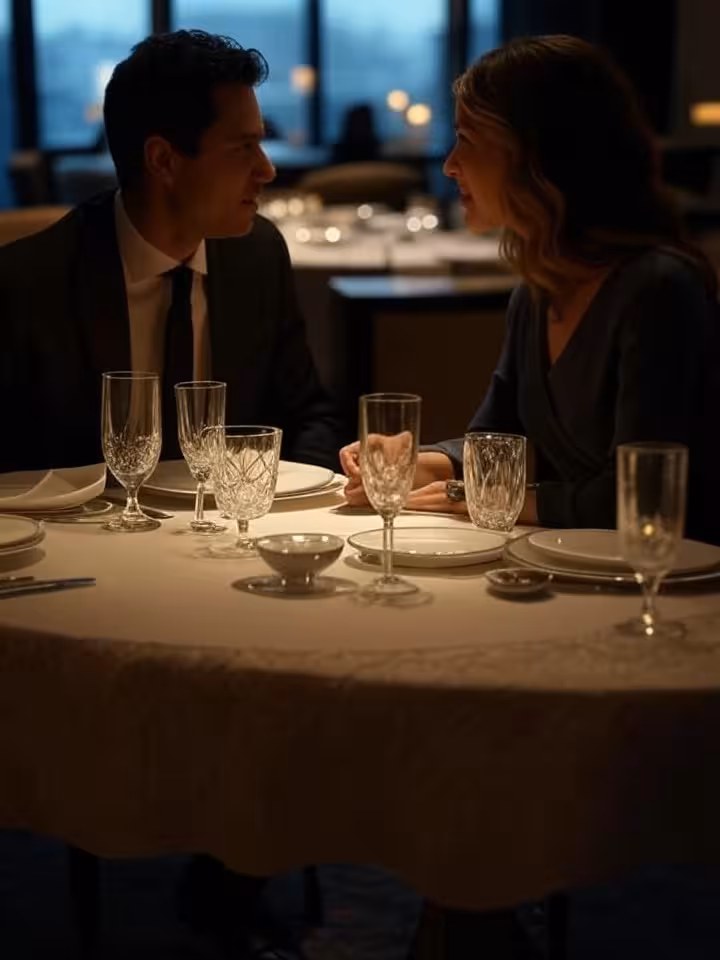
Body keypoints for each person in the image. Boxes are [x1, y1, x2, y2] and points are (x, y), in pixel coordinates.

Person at [341, 34, 720, 545]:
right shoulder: (537, 292)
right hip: (574, 565)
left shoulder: (657, 289)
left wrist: (473, 496)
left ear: (541, 155)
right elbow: (500, 439)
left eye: (468, 140)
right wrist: (422, 462)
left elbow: (641, 494)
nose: (450, 164)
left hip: (668, 586)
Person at [0, 29, 340, 473]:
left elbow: (308, 416)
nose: (267, 169)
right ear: (163, 160)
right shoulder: (29, 283)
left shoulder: (257, 255)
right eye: (243, 148)